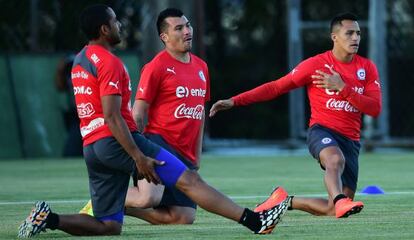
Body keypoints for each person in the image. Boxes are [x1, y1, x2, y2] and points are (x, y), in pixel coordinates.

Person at [18, 4, 289, 238]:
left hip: (92, 146)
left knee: (109, 225)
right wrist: (137, 155)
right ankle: (256, 222)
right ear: (103, 29)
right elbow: (113, 115)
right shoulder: (111, 62)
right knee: (189, 183)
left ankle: (48, 218)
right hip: (119, 141)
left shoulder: (80, 60)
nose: (119, 25)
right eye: (114, 21)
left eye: (187, 25)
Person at [210, 12, 382, 218]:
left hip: (351, 139)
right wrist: (235, 101)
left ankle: (285, 200)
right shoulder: (316, 65)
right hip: (322, 130)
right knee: (334, 160)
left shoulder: (367, 67)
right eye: (349, 33)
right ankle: (339, 200)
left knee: (330, 210)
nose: (355, 38)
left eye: (358, 33)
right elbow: (276, 87)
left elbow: (374, 109)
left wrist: (342, 88)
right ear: (334, 37)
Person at [80, 8, 208, 225]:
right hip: (159, 143)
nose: (187, 31)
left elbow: (200, 111)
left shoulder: (201, 67)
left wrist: (197, 154)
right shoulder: (156, 67)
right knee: (149, 197)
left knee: (183, 217)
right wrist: (136, 153)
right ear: (164, 37)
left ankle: (115, 206)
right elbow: (138, 113)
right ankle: (101, 201)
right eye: (179, 28)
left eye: (188, 25)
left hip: (185, 152)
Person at [55, 54, 83, 157]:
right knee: (71, 152)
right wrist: (60, 71)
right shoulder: (68, 70)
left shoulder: (91, 68)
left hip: (93, 114)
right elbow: (60, 87)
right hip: (77, 116)